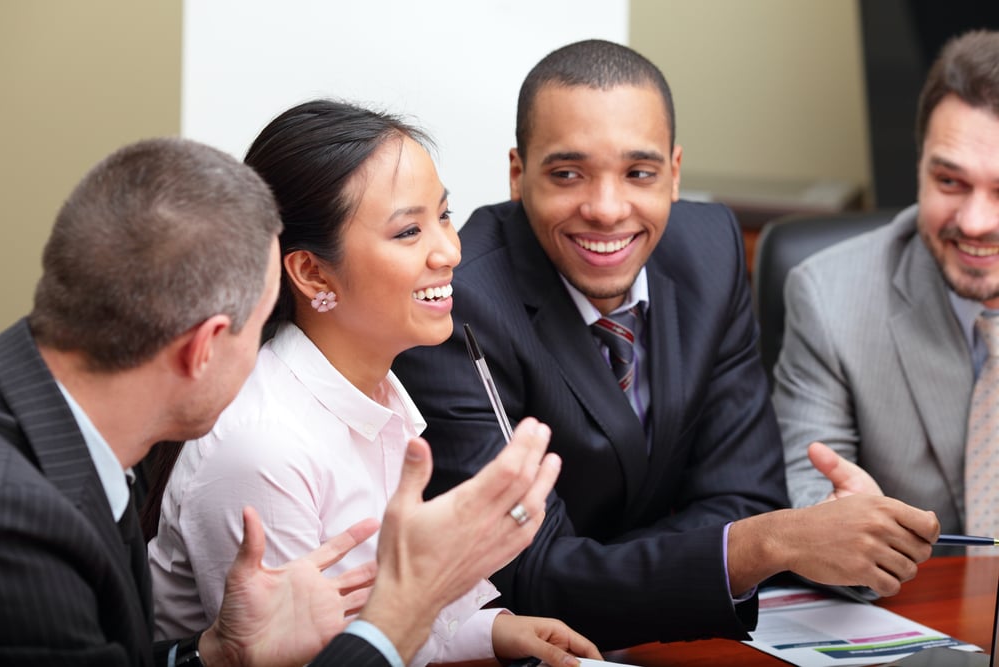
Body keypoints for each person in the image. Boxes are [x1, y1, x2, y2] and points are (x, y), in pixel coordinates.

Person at [391, 38, 942, 649]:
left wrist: (604, 565)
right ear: (519, 176)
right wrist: (762, 544)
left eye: (639, 173)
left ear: (675, 174)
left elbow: (747, 492)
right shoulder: (457, 307)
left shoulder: (710, 249)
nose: (605, 209)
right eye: (568, 173)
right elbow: (524, 577)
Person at [0, 136, 566, 666]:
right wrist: (406, 605)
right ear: (203, 349)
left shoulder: (76, 453)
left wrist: (213, 653)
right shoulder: (25, 529)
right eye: (259, 327)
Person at [146, 100, 599, 667]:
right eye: (409, 230)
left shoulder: (376, 390)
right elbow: (337, 655)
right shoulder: (263, 448)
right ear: (312, 272)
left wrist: (494, 631)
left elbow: (378, 616)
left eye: (444, 215)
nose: (450, 251)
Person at [773, 30, 999, 543]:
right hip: (915, 601)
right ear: (919, 168)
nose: (976, 221)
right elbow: (812, 493)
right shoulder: (828, 297)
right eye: (950, 182)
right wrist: (846, 529)